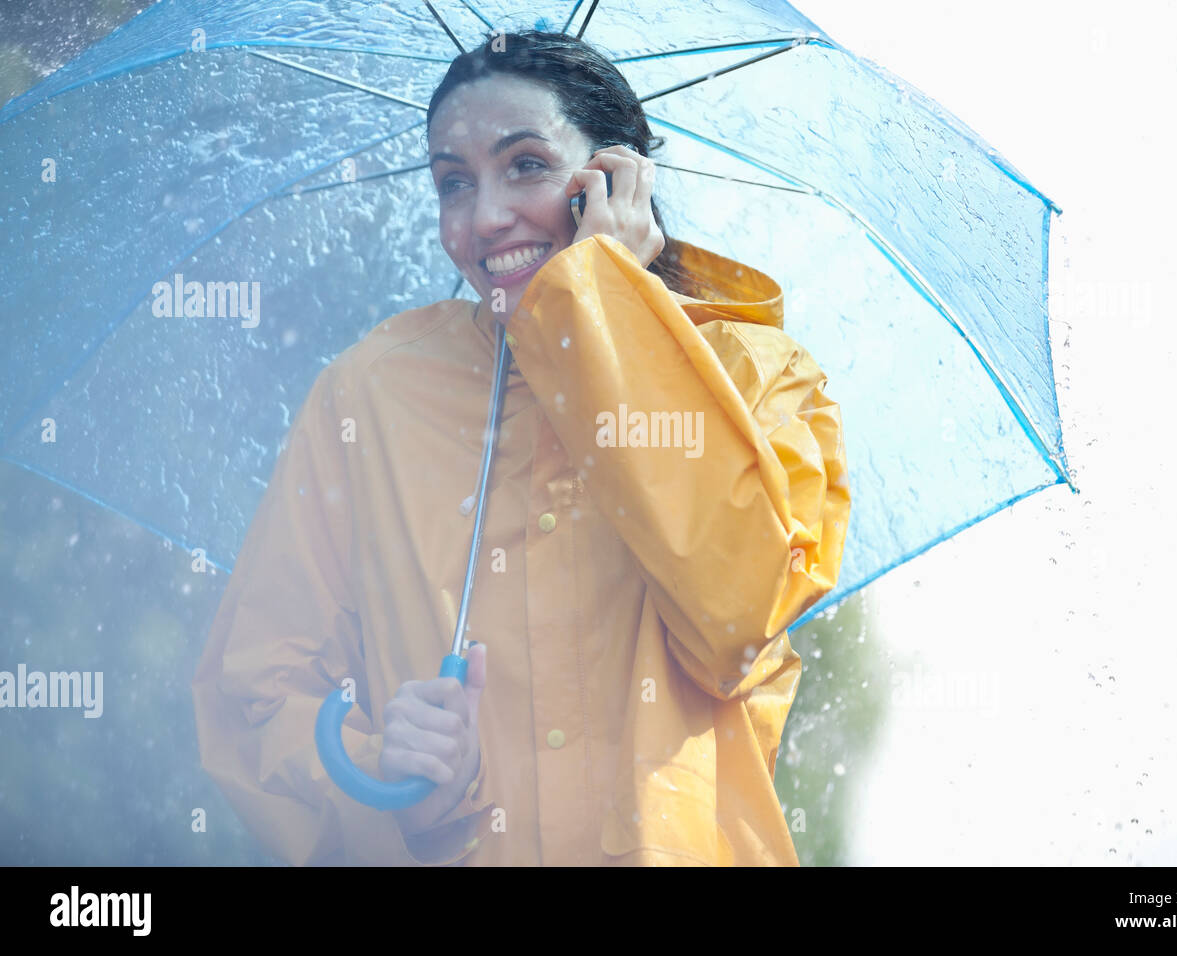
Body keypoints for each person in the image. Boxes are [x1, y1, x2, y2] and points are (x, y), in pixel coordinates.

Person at [192, 30, 849, 866]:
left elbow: (736, 622)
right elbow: (255, 692)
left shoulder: (760, 381)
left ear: (618, 178)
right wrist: (378, 765)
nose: (484, 217)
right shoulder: (367, 397)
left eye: (527, 165)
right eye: (452, 183)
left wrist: (603, 313)